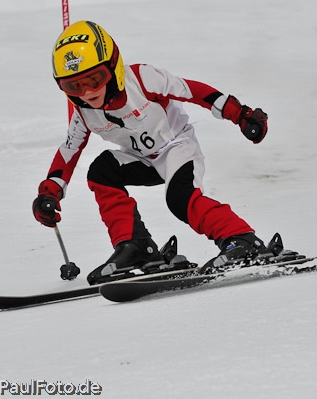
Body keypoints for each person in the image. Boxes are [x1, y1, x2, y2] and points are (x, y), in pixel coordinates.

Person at [32, 21, 283, 285]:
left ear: (113, 68)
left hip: (177, 147)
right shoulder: (83, 111)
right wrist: (49, 191)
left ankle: (242, 239)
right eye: (73, 87)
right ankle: (136, 247)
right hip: (143, 159)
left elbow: (190, 90)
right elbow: (70, 149)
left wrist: (239, 114)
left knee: (180, 199)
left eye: (95, 79)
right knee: (101, 172)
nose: (87, 92)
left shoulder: (140, 79)